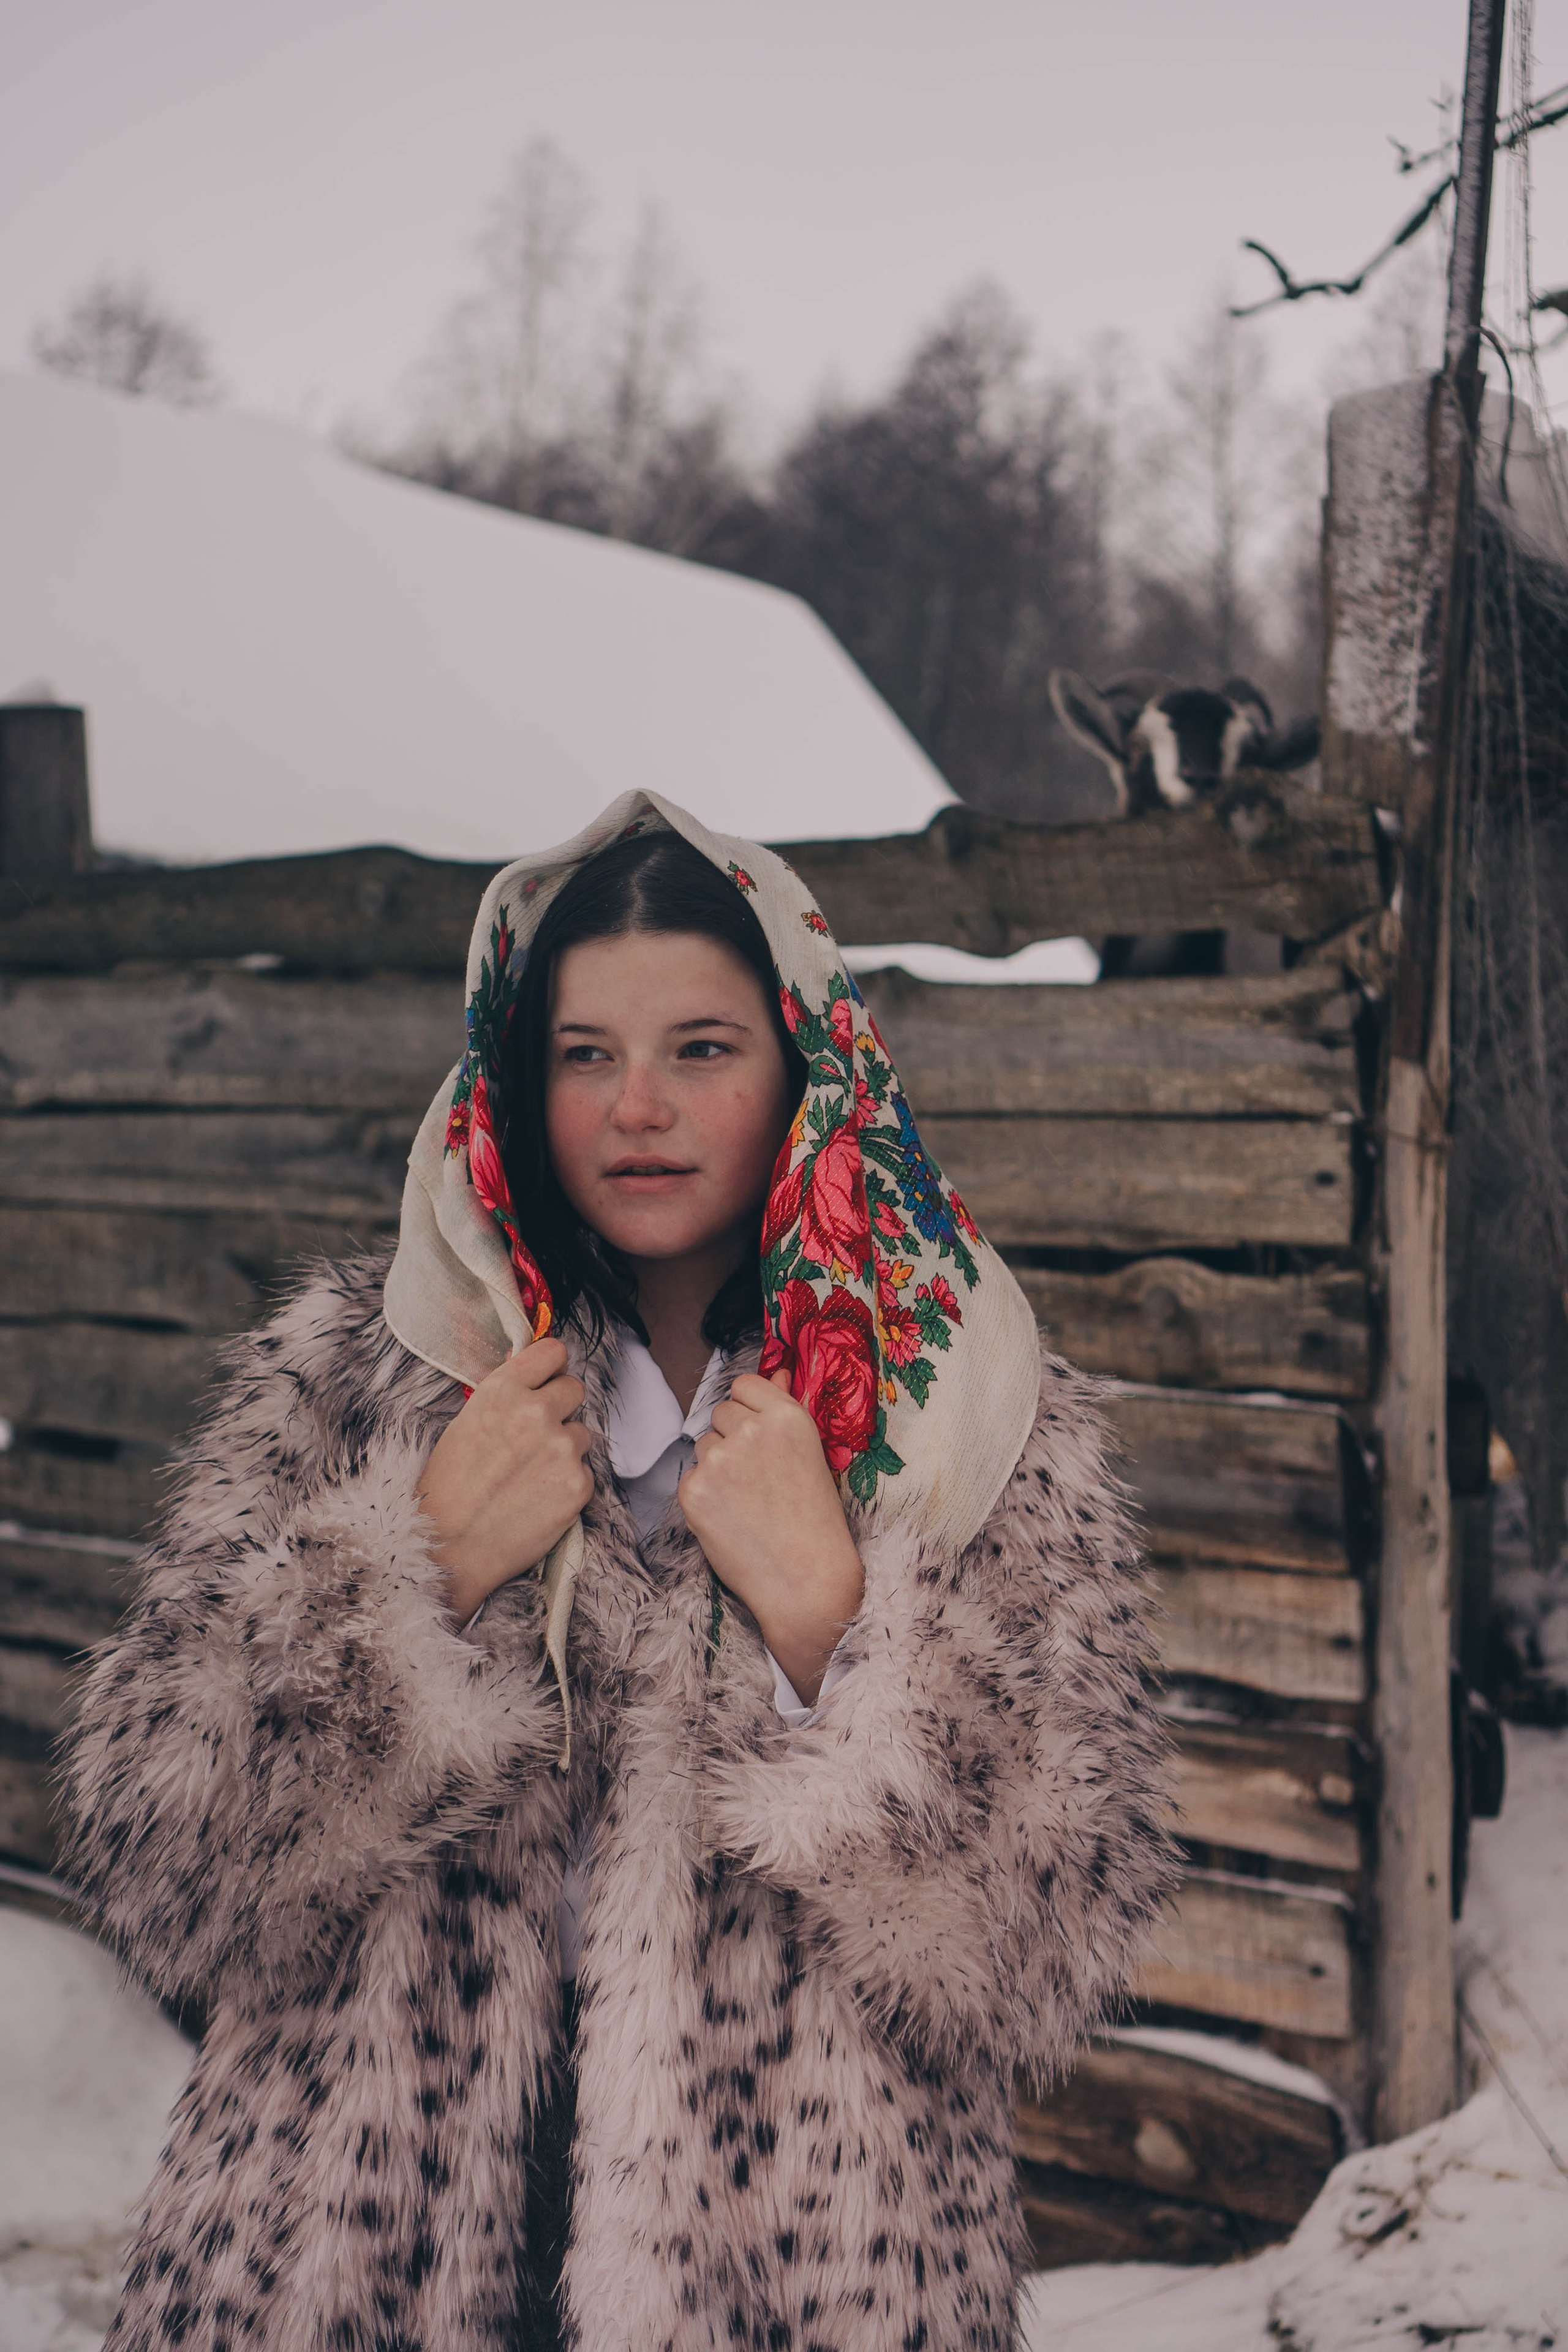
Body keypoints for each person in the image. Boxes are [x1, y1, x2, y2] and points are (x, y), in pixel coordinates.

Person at [62, 794, 1175, 2352]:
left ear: (804, 1063)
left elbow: (1040, 1956)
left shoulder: (964, 1421)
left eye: (701, 1048)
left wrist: (823, 1629)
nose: (635, 1105)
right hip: (345, 2266)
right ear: (517, 1078)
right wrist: (416, 1574)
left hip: (803, 2282)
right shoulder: (367, 1378)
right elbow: (169, 1869)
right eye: (585, 1052)